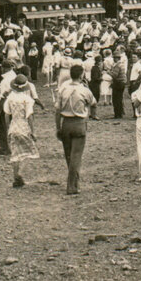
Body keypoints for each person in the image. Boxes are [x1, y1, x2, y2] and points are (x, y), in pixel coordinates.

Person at [55, 65, 96, 195]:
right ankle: (72, 185)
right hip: (79, 123)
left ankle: (74, 182)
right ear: (81, 75)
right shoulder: (84, 90)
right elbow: (93, 103)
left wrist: (58, 127)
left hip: (66, 123)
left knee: (69, 155)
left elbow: (57, 110)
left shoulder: (63, 89)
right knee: (76, 156)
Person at [3, 75, 39, 188]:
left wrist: (8, 127)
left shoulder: (10, 98)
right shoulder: (27, 99)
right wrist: (33, 131)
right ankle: (20, 173)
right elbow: (29, 116)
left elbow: (6, 115)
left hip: (13, 126)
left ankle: (15, 177)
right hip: (23, 127)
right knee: (29, 152)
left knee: (15, 153)